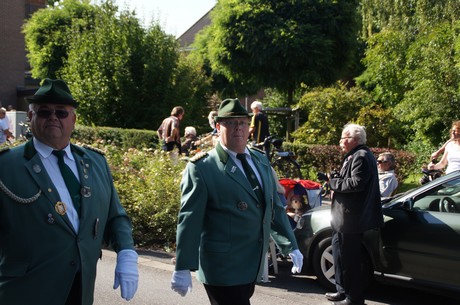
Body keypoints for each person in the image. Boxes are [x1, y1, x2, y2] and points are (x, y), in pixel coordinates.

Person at [0, 79, 139, 305]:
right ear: (30, 118)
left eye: (61, 113)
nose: (53, 117)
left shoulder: (95, 162)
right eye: (44, 112)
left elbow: (115, 216)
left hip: (80, 289)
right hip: (25, 291)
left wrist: (126, 253)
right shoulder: (6, 167)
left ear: (73, 120)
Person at [170, 98, 303, 305]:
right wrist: (183, 265)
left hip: (251, 262)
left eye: (242, 122)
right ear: (218, 126)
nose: (238, 128)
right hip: (222, 267)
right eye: (230, 123)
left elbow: (272, 207)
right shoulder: (203, 168)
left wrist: (290, 245)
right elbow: (190, 219)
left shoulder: (260, 160)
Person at [326, 123, 383, 305]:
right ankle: (342, 290)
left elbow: (356, 183)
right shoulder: (355, 155)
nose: (341, 141)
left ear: (355, 139)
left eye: (344, 137)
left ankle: (354, 298)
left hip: (351, 219)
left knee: (350, 259)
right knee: (339, 255)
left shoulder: (361, 156)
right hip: (343, 218)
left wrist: (333, 183)